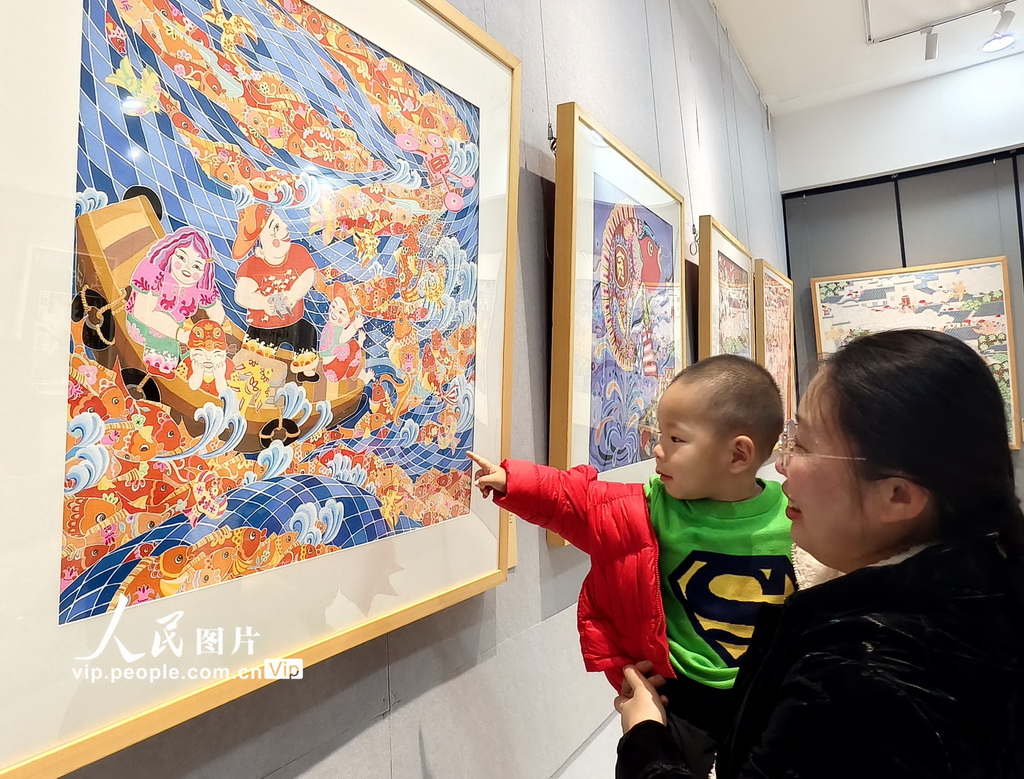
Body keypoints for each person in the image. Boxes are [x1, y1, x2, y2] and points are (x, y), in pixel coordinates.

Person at [613, 329, 1024, 779]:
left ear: (897, 496)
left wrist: (646, 736)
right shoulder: (983, 595)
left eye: (803, 445)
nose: (782, 463)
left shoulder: (862, 681)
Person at [470, 355, 794, 779]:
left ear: (738, 455)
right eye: (660, 435)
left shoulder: (797, 518)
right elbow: (579, 501)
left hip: (768, 696)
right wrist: (514, 481)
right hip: (679, 694)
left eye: (675, 439)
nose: (657, 449)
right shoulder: (653, 507)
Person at [232, 203, 320, 382]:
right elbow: (241, 295)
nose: (285, 227)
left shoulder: (297, 252)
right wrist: (264, 303)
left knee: (308, 332)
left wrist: (293, 295)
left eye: (281, 223)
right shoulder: (252, 266)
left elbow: (308, 276)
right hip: (262, 326)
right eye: (276, 227)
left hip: (294, 322)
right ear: (259, 245)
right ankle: (255, 372)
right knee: (257, 353)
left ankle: (305, 370)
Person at [125, 226, 225, 378]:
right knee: (169, 347)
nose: (187, 268)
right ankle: (161, 367)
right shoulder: (154, 271)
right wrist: (180, 334)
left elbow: (217, 313)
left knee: (198, 354)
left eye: (196, 266)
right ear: (169, 253)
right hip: (142, 325)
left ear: (204, 270)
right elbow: (142, 313)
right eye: (182, 258)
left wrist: (209, 334)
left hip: (179, 331)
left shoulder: (202, 285)